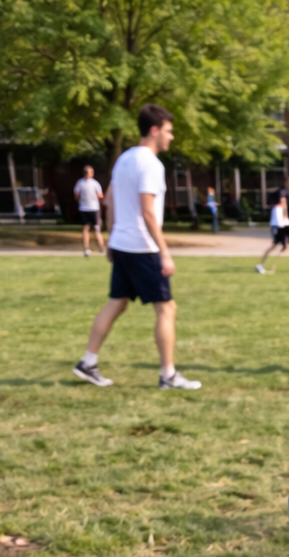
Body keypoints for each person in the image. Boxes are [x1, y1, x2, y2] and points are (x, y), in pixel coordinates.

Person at [72, 103, 201, 390]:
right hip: (143, 248)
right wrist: (165, 253)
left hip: (123, 244)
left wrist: (110, 239)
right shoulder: (151, 164)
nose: (171, 137)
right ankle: (168, 375)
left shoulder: (124, 159)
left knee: (117, 303)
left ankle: (88, 361)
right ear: (155, 130)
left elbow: (109, 202)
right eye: (169, 131)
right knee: (167, 309)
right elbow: (147, 212)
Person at [256, 191, 289, 274]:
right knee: (276, 246)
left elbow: (286, 220)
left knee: (283, 246)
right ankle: (263, 264)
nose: (284, 200)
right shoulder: (277, 208)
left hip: (280, 229)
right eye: (283, 199)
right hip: (278, 229)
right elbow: (280, 222)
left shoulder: (281, 207)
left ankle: (272, 265)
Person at [74, 166, 105, 257]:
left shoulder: (95, 184)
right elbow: (76, 195)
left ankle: (101, 247)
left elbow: (100, 195)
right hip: (84, 208)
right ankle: (87, 248)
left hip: (94, 208)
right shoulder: (80, 183)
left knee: (96, 228)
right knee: (86, 228)